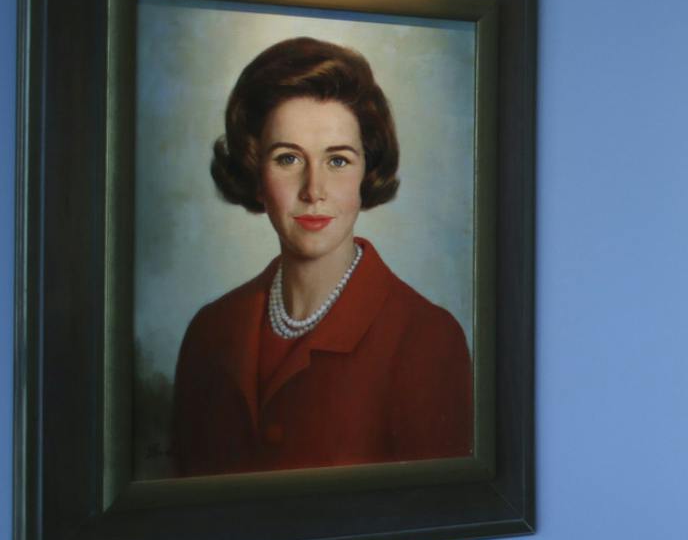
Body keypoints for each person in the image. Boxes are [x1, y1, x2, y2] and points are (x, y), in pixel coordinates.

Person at [170, 38, 473, 476]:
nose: (314, 190)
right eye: (288, 158)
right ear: (256, 177)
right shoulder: (210, 330)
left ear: (367, 175)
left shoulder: (426, 338)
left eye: (338, 161)